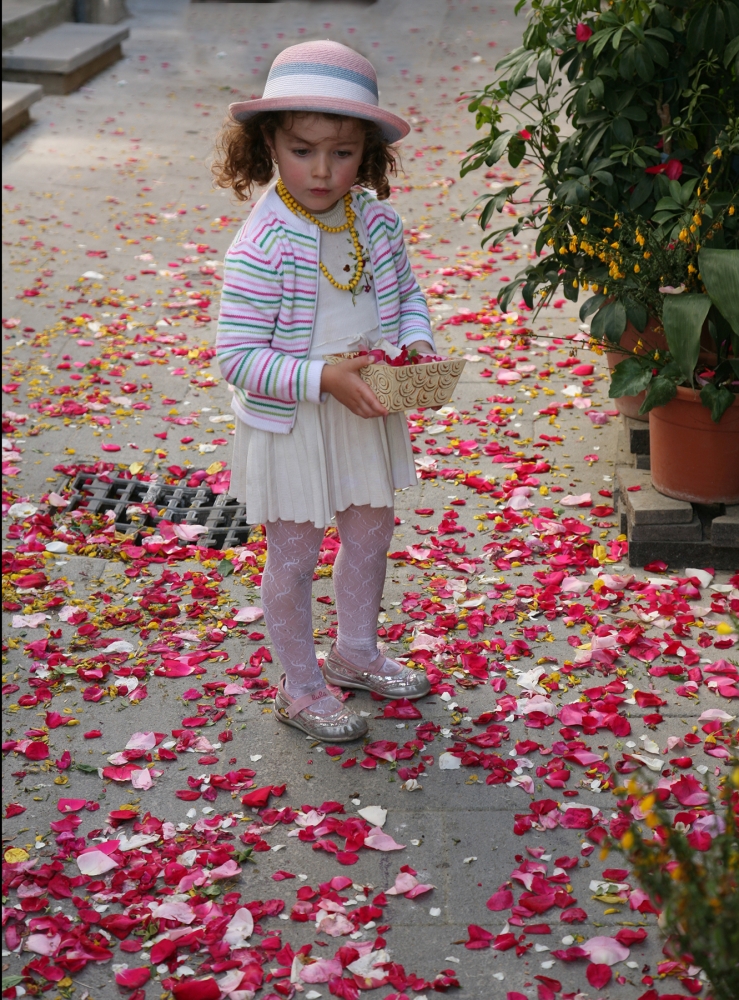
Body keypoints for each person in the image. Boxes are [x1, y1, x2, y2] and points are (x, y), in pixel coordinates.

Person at [213, 40, 433, 742]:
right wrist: (320, 377)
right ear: (267, 146)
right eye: (302, 149)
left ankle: (354, 652)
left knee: (372, 531)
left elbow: (404, 299)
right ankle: (301, 686)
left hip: (361, 411)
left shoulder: (376, 222)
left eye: (341, 153)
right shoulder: (262, 244)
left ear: (364, 153)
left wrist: (416, 347)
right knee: (296, 553)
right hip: (295, 424)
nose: (321, 169)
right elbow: (237, 357)